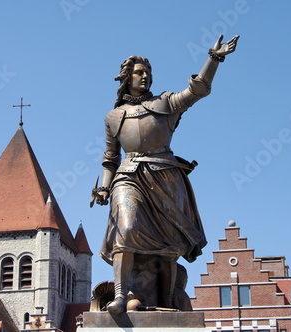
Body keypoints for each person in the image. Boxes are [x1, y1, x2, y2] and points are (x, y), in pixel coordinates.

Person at [92, 34, 239, 314]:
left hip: (164, 176)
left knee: (169, 242)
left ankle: (169, 300)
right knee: (126, 226)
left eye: (148, 72)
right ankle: (121, 297)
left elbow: (198, 90)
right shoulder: (113, 117)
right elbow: (111, 158)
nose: (144, 76)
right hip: (129, 175)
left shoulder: (166, 103)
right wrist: (104, 187)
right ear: (127, 78)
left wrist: (214, 58)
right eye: (138, 72)